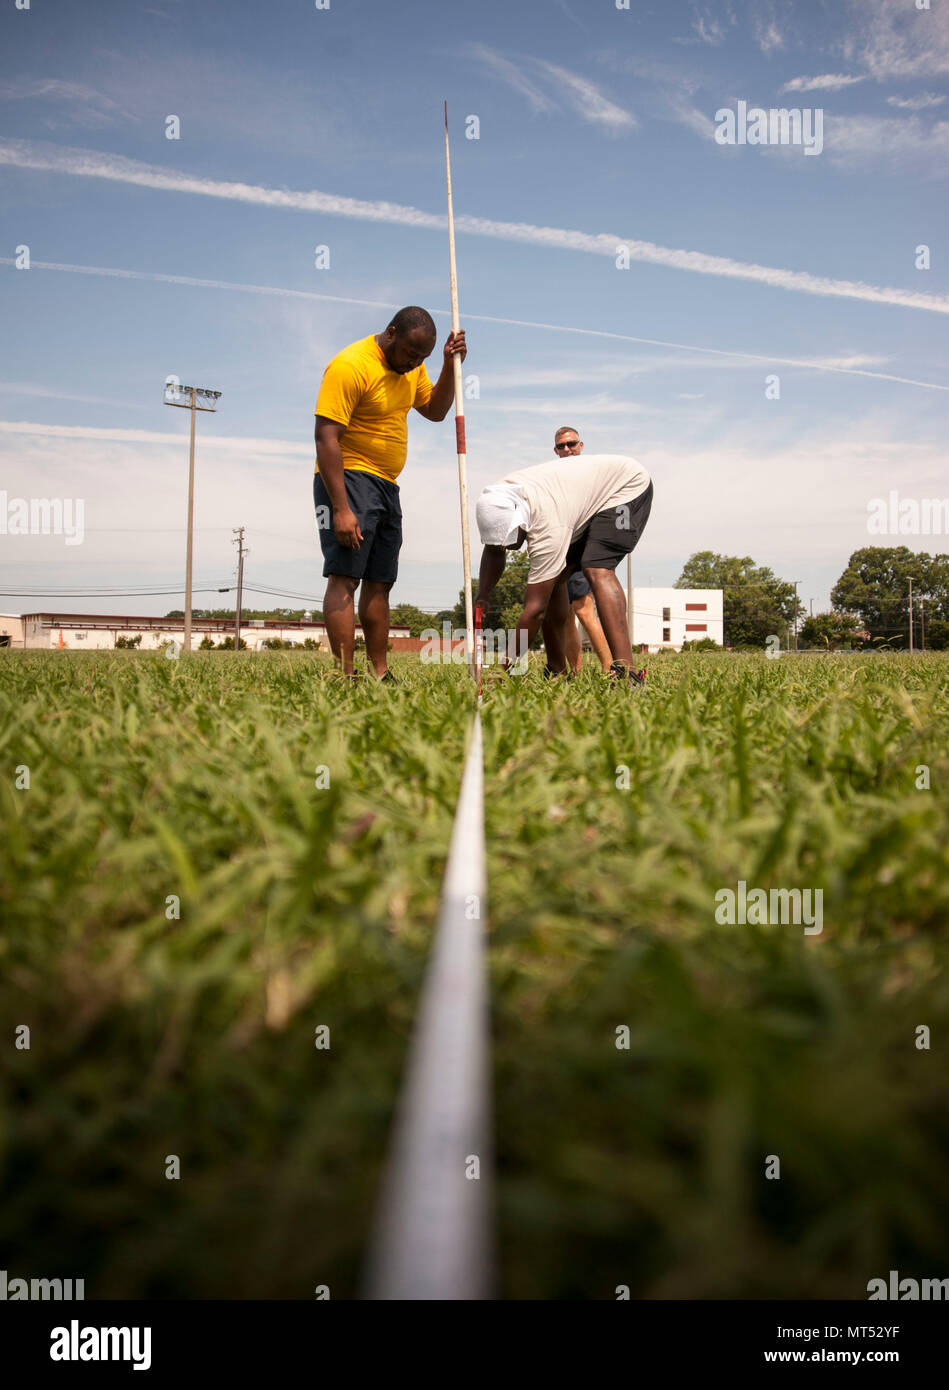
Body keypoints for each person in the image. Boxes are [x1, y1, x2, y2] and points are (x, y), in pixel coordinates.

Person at [314, 306, 466, 681]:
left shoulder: (413, 366)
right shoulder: (351, 365)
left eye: (422, 358)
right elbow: (326, 437)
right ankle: (346, 675)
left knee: (381, 582)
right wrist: (341, 508)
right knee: (345, 577)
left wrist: (449, 365)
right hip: (349, 478)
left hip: (387, 484)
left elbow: (435, 410)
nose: (414, 363)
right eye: (410, 354)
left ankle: (379, 673)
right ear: (391, 332)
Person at [474, 452, 652, 685]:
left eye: (509, 537)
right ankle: (556, 671)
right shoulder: (496, 498)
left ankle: (627, 674)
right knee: (555, 580)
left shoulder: (547, 526)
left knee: (597, 567)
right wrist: (483, 595)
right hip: (579, 500)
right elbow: (494, 550)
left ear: (521, 520)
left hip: (624, 486)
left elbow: (535, 610)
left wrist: (503, 672)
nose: (507, 546)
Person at [550, 426, 613, 674]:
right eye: (562, 446)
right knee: (564, 615)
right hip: (558, 549)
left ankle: (611, 670)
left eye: (572, 444)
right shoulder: (553, 476)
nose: (567, 449)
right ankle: (575, 674)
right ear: (555, 450)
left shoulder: (592, 473)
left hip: (582, 548)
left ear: (581, 445)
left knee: (584, 610)